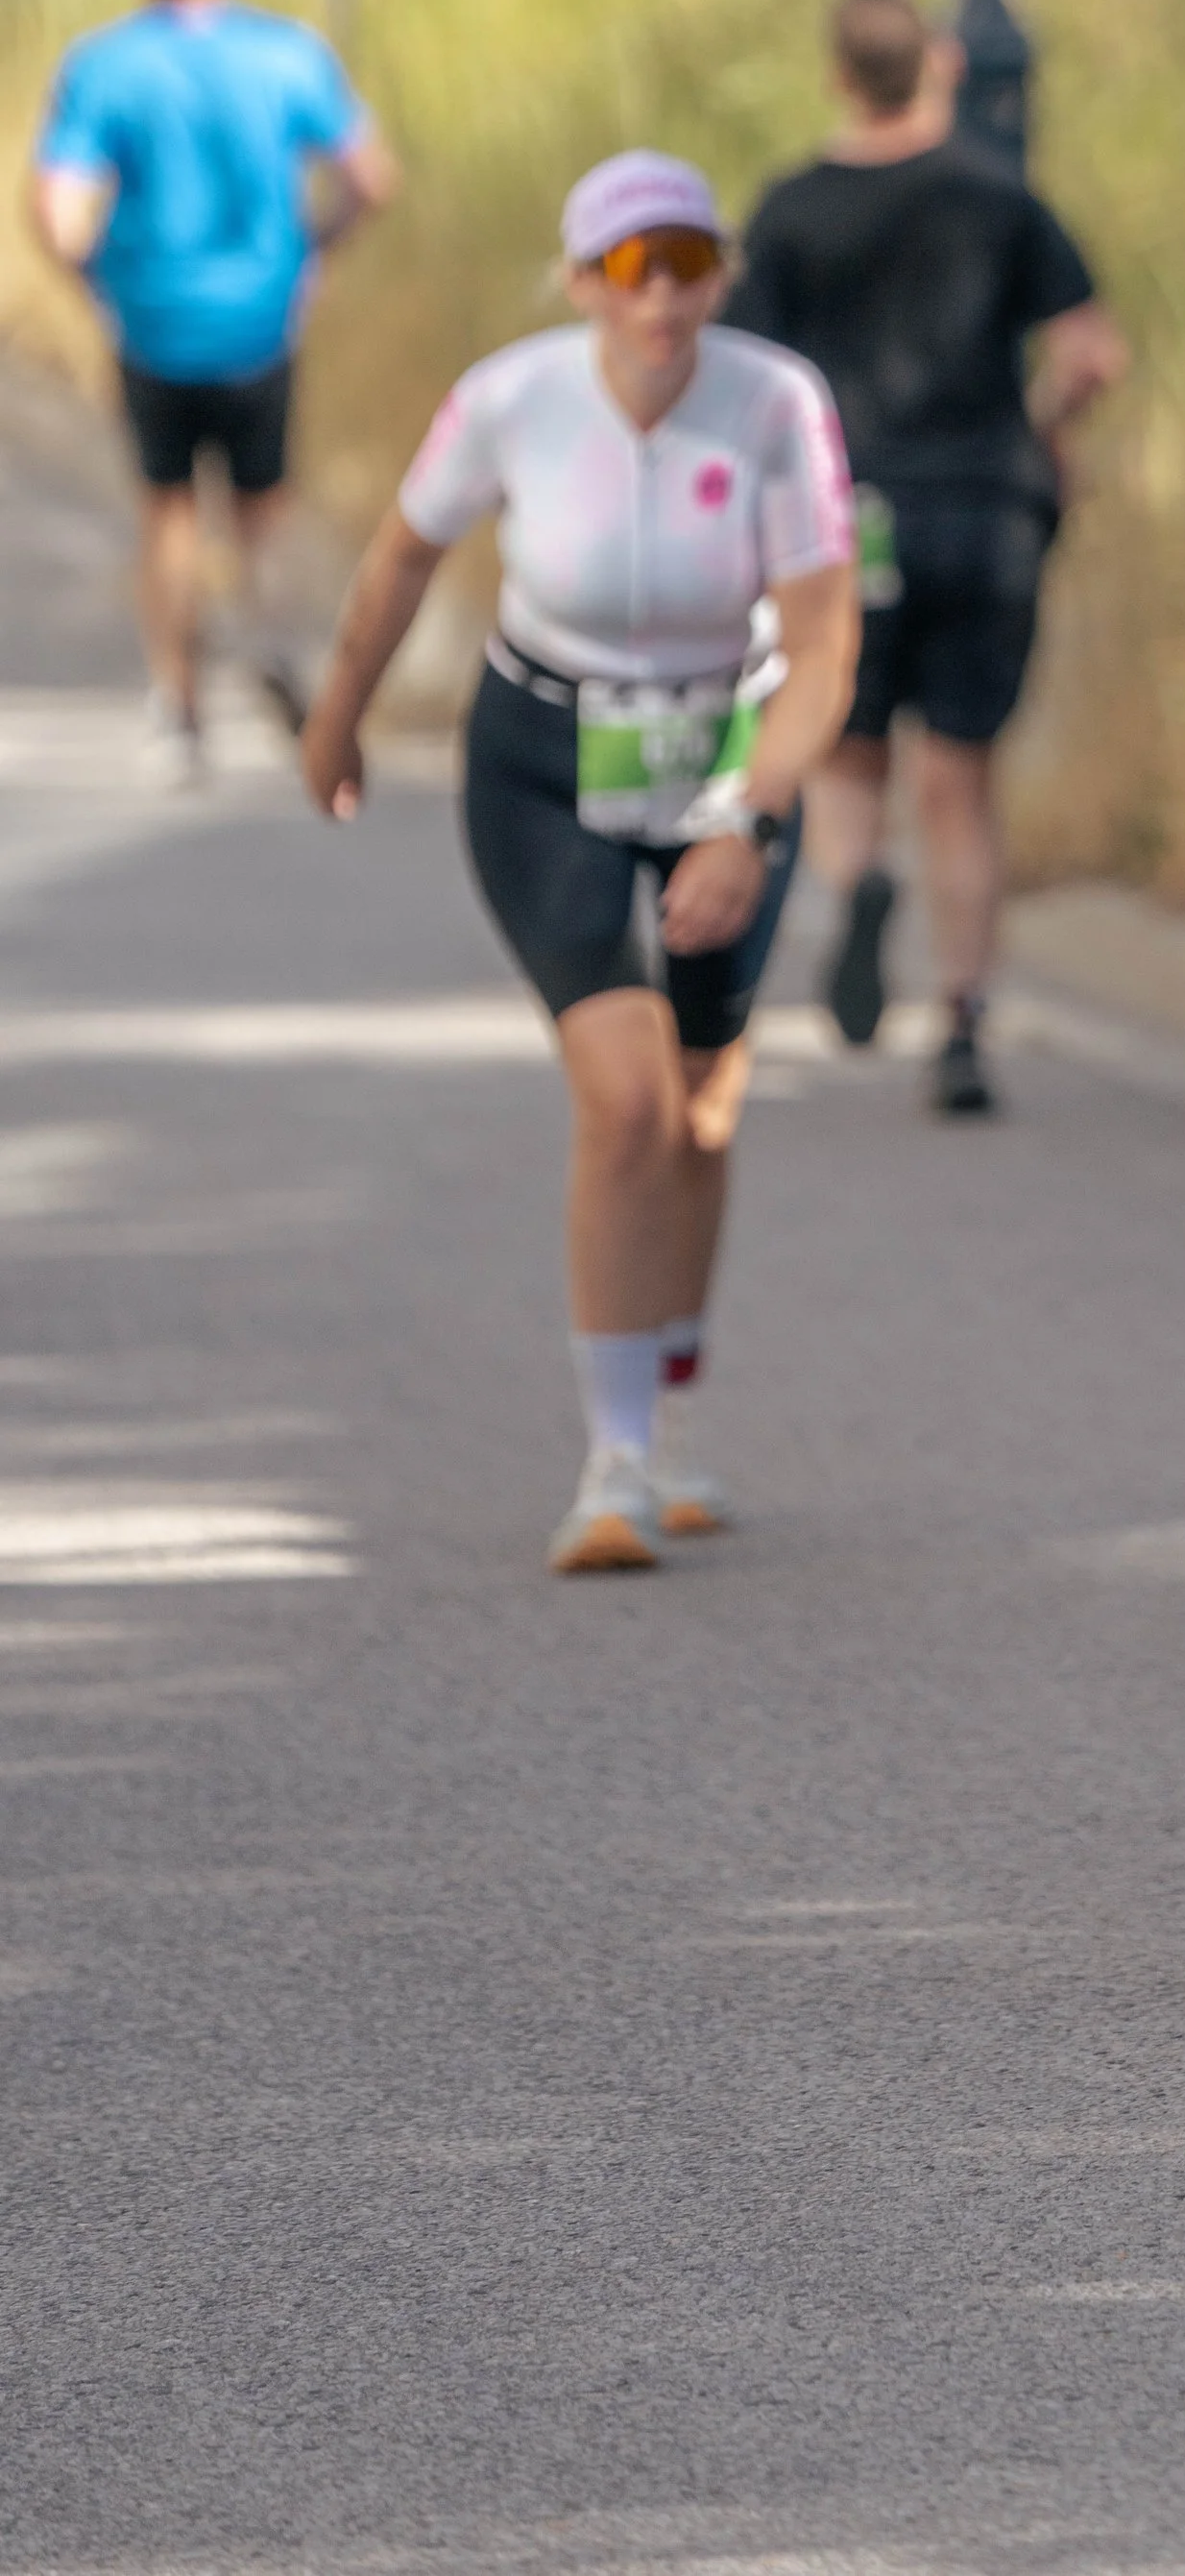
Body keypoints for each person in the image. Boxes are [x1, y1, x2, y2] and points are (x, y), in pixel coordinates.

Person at [300, 152, 860, 1573]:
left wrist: (745, 817)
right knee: (626, 1101)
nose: (659, 295)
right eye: (626, 267)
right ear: (578, 282)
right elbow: (402, 558)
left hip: (725, 753)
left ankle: (670, 1414)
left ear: (720, 275)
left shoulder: (778, 402)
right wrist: (338, 713)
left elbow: (823, 642)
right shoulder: (512, 398)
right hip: (545, 757)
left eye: (687, 262)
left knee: (703, 1110)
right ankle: (611, 1465)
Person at [723, 0, 1126, 1116]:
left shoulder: (791, 208)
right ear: (939, 62)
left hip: (848, 515)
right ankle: (960, 1021)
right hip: (985, 510)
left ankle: (861, 882)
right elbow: (1091, 354)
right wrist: (1041, 427)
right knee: (959, 779)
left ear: (838, 77)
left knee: (849, 754)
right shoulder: (998, 192)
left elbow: (748, 378)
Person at [27, 0, 399, 781]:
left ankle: (179, 704)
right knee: (263, 504)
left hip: (154, 320)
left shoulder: (105, 63)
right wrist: (316, 249)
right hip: (261, 318)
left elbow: (56, 210)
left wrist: (95, 280)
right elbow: (371, 178)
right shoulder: (289, 54)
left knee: (169, 510)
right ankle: (270, 639)